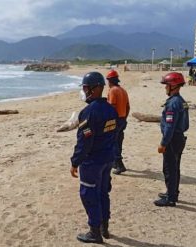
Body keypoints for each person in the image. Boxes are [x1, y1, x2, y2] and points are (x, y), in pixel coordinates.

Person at [70, 72, 118, 243]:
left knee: (89, 194)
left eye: (85, 87)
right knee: (103, 192)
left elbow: (84, 142)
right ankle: (105, 226)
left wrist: (75, 162)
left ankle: (95, 232)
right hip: (108, 158)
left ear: (95, 88)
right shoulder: (111, 109)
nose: (83, 91)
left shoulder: (89, 112)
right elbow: (114, 134)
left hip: (93, 162)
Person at [155, 72, 189, 207]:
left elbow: (169, 127)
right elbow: (186, 124)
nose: (165, 88)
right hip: (179, 138)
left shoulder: (173, 104)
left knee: (169, 168)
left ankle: (170, 198)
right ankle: (173, 192)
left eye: (166, 86)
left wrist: (163, 143)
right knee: (175, 167)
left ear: (173, 86)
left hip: (172, 140)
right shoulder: (181, 101)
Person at [106, 69, 130, 175]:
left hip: (115, 119)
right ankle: (116, 163)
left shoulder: (113, 90)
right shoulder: (123, 90)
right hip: (122, 118)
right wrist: (124, 118)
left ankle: (120, 165)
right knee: (119, 141)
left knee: (113, 142)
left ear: (110, 81)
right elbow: (128, 106)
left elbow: (111, 106)